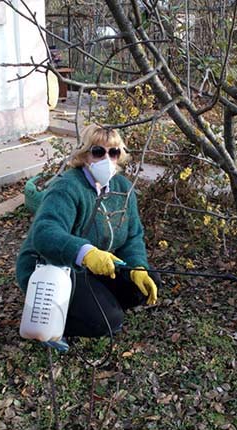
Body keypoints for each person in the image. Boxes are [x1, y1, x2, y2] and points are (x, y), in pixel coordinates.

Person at [16, 124, 159, 348]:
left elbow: (133, 236)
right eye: (98, 152)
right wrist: (85, 253)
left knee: (145, 282)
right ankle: (51, 322)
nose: (106, 159)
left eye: (113, 152)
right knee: (107, 321)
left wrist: (137, 266)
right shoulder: (67, 187)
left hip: (94, 267)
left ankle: (95, 304)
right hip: (55, 267)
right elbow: (45, 232)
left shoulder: (122, 188)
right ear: (84, 155)